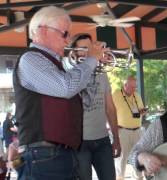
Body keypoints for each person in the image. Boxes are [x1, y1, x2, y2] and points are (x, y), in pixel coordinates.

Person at [13, 6, 107, 180]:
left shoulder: (56, 65)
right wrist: (92, 59)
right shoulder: (31, 59)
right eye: (64, 34)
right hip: (44, 156)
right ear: (42, 30)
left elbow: (84, 101)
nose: (68, 40)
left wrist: (93, 69)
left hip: (59, 155)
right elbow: (66, 87)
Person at [70, 33, 121, 180]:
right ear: (74, 52)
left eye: (90, 47)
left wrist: (116, 138)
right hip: (80, 143)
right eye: (83, 48)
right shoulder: (70, 74)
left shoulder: (102, 74)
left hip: (103, 140)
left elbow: (110, 108)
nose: (88, 51)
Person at [112, 75, 147, 180]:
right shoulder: (116, 94)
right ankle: (120, 177)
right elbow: (109, 111)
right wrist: (111, 126)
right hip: (123, 131)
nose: (133, 89)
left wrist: (143, 111)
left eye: (135, 87)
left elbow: (140, 110)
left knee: (138, 155)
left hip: (137, 131)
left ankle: (138, 177)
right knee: (122, 157)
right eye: (131, 87)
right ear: (125, 85)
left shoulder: (137, 95)